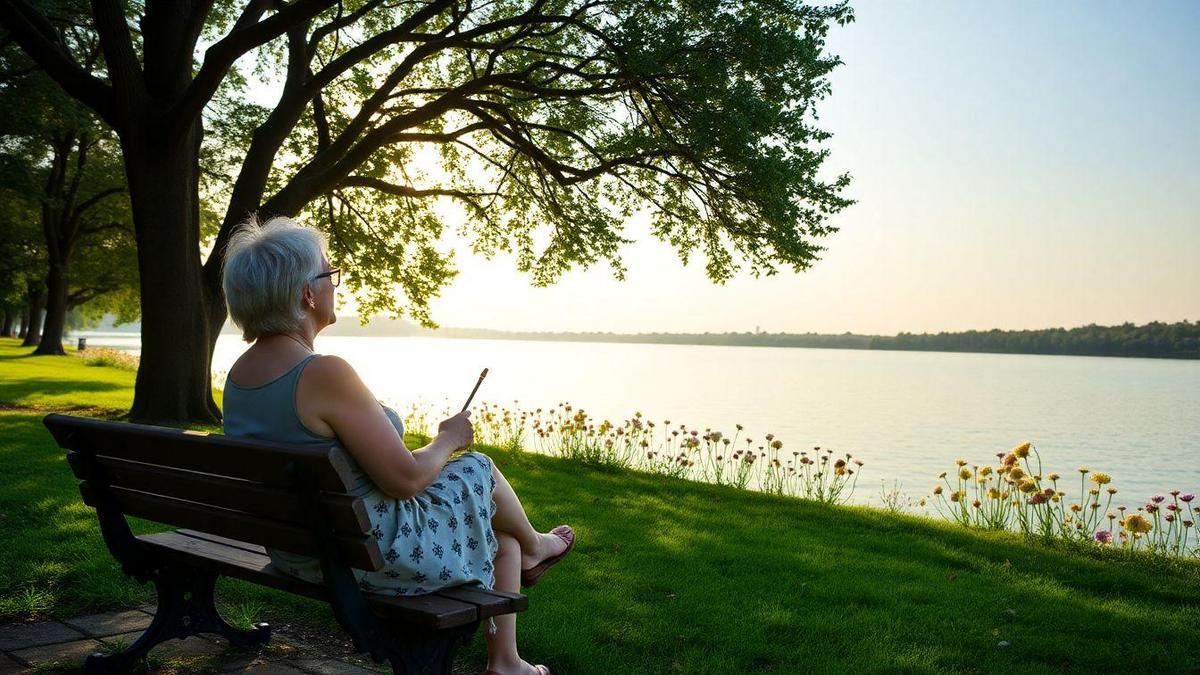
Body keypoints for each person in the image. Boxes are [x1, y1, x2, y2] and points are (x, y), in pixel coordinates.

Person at [220, 215, 573, 675]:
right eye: (330, 273)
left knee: (497, 532)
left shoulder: (239, 376)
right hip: (370, 557)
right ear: (307, 293)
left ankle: (506, 660)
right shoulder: (323, 372)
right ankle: (536, 546)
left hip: (298, 552)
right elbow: (404, 479)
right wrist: (447, 440)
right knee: (478, 468)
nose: (335, 284)